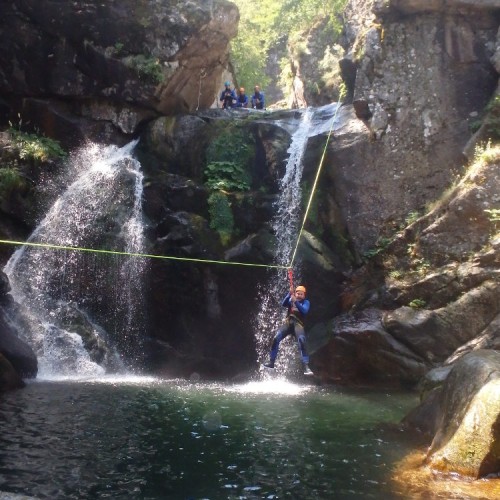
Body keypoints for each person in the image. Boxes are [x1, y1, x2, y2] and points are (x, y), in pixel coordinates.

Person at [264, 284, 313, 375]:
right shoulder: (291, 300)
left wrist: (296, 302)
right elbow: (283, 304)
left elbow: (304, 311)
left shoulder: (306, 302)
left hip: (298, 325)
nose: (299, 295)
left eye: (301, 294)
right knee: (276, 338)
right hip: (288, 323)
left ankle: (306, 366)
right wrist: (289, 294)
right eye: (298, 293)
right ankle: (271, 362)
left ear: (304, 295)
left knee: (302, 340)